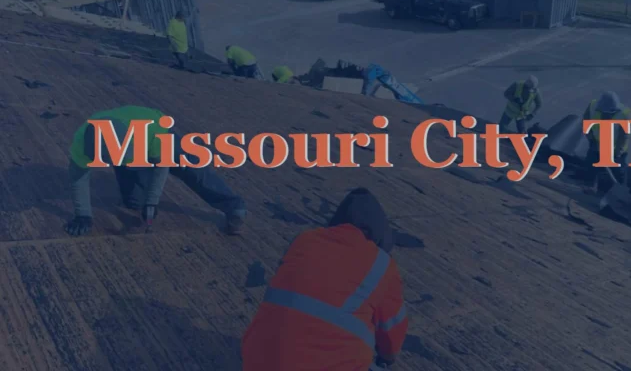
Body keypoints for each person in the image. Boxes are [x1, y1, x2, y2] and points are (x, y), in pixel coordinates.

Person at [241, 188, 408, 371]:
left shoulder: (305, 240)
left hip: (255, 361)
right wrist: (386, 359)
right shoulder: (382, 264)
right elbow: (392, 333)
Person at [65, 105, 247, 236]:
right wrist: (83, 215)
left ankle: (233, 205)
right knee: (133, 202)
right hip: (127, 146)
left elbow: (162, 167)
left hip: (157, 133)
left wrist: (152, 202)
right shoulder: (83, 144)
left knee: (191, 170)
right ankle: (137, 187)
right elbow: (78, 179)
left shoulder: (151, 134)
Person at [583, 91, 631, 189]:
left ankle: (619, 189)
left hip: (616, 149)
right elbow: (586, 123)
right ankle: (590, 186)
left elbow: (624, 136)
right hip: (596, 145)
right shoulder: (593, 106)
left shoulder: (624, 114)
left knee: (618, 173)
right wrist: (591, 139)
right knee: (590, 167)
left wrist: (617, 152)